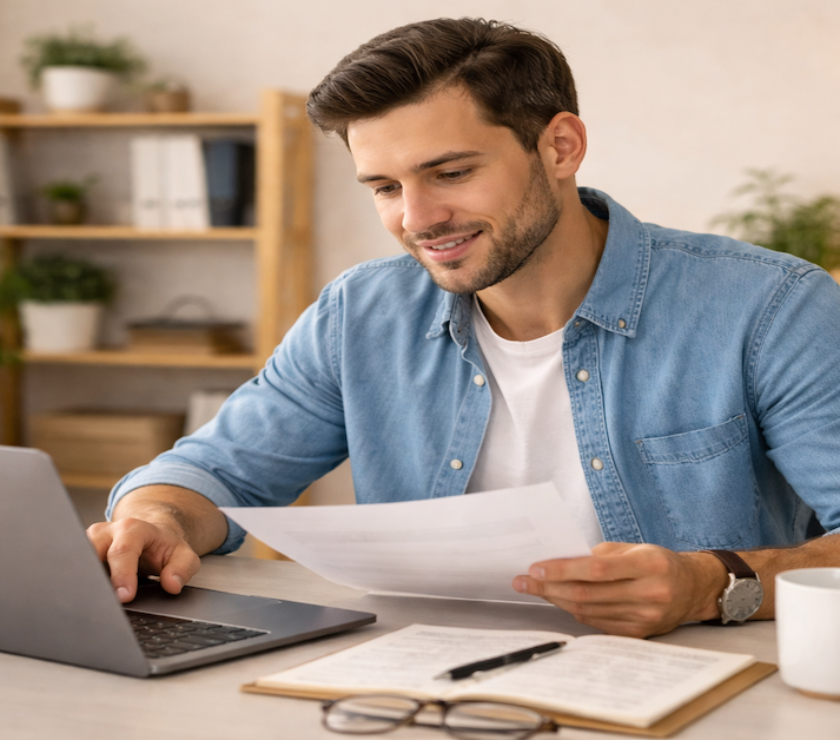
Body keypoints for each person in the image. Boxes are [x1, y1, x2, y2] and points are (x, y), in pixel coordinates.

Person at [88, 18, 840, 638]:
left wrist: (711, 583)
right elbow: (216, 471)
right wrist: (156, 517)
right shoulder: (361, 314)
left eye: (449, 173)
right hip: (416, 686)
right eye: (385, 187)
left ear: (560, 146)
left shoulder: (771, 308)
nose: (416, 221)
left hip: (693, 688)